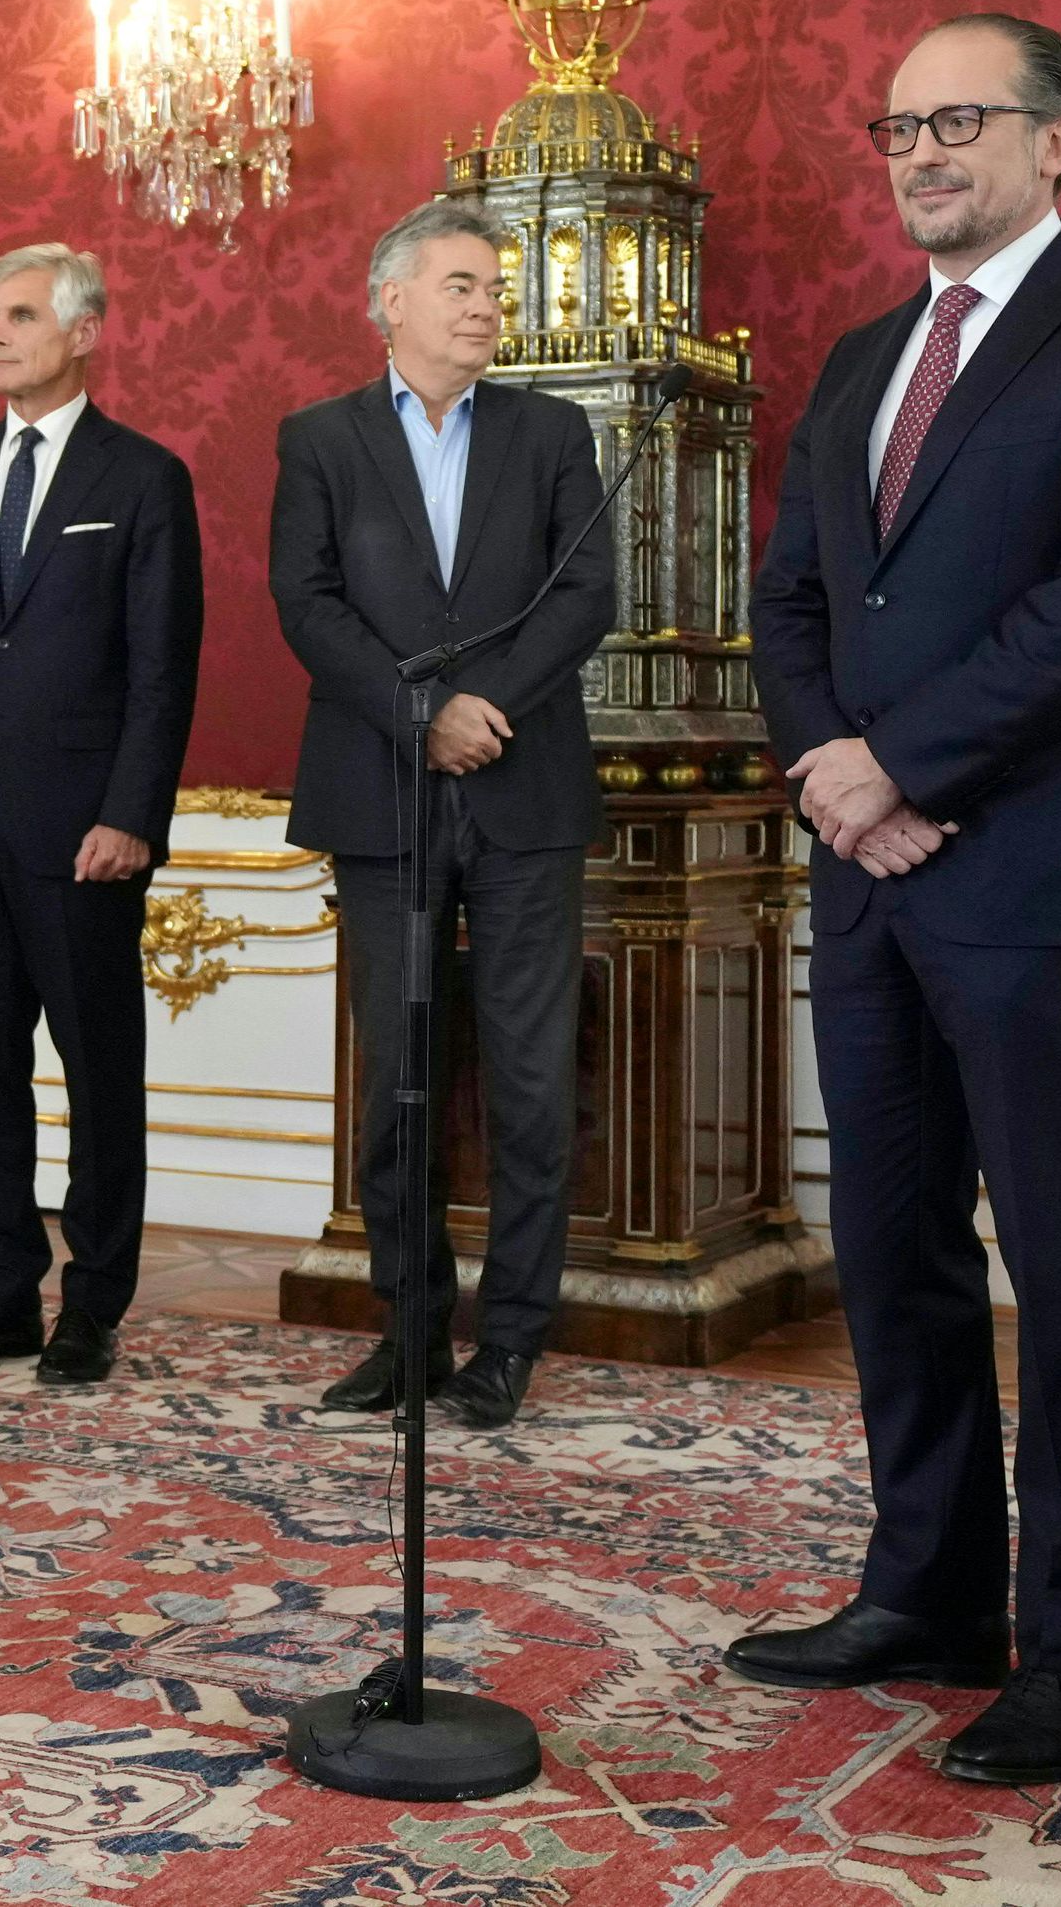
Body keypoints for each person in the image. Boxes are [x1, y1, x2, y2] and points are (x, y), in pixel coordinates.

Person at [734, 14, 1061, 1786]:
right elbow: (787, 598)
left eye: (962, 121)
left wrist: (903, 769)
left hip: (1044, 877)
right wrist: (830, 776)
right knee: (893, 1256)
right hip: (871, 882)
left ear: (1060, 141)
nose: (923, 153)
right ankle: (929, 1589)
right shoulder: (864, 355)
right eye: (897, 127)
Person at [270, 194, 614, 1431]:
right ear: (391, 299)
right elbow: (306, 606)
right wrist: (422, 719)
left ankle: (510, 1343)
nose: (486, 306)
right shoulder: (318, 439)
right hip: (381, 793)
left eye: (495, 289)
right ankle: (408, 1332)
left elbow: (584, 596)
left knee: (530, 1082)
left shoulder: (553, 430)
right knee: (397, 1083)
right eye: (463, 285)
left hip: (522, 788)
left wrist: (478, 709)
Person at [0, 243, 202, 1387]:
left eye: (19, 316)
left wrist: (132, 815)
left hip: (84, 836)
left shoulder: (141, 478)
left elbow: (163, 670)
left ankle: (92, 1306)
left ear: (84, 331)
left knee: (98, 1075)